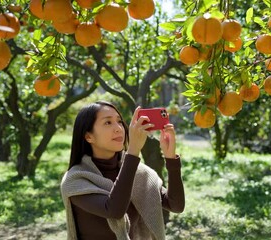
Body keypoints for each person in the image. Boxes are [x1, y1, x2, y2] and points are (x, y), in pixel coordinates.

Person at [60, 101, 185, 240]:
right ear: (89, 136)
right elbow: (114, 209)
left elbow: (176, 205)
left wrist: (171, 158)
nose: (119, 128)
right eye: (108, 123)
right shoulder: (75, 180)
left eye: (119, 121)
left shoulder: (138, 172)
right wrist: (133, 151)